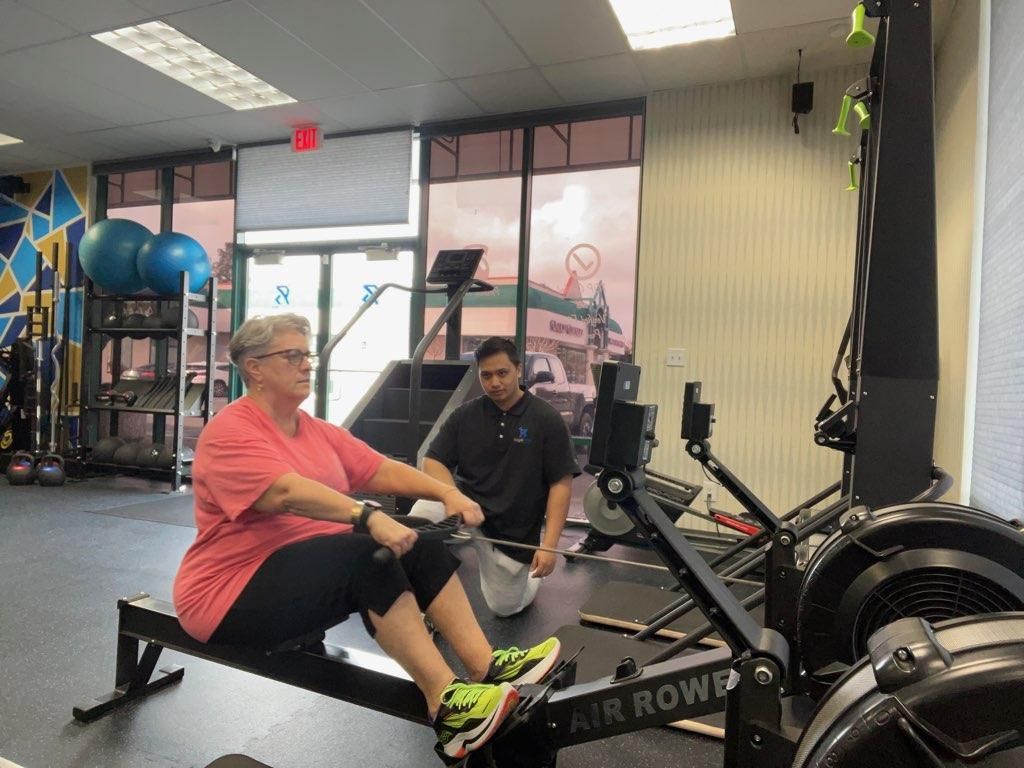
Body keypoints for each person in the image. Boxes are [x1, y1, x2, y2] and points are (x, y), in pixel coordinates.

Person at [172, 314, 560, 761]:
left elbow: (379, 469)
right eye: (293, 355)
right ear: (254, 367)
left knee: (420, 538)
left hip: (301, 575)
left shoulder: (313, 429)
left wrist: (445, 491)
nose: (306, 365)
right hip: (226, 594)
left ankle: (485, 665)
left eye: (307, 355)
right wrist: (366, 515)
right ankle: (448, 705)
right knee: (370, 552)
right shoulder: (230, 431)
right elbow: (283, 491)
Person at [414, 337, 581, 617]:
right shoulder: (465, 415)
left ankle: (524, 579)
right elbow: (432, 462)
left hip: (510, 531)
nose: (494, 382)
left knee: (505, 607)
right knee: (419, 518)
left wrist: (549, 546)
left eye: (502, 373)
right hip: (467, 509)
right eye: (486, 375)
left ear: (518, 370)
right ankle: (428, 602)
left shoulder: (546, 419)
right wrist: (453, 497)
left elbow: (560, 485)